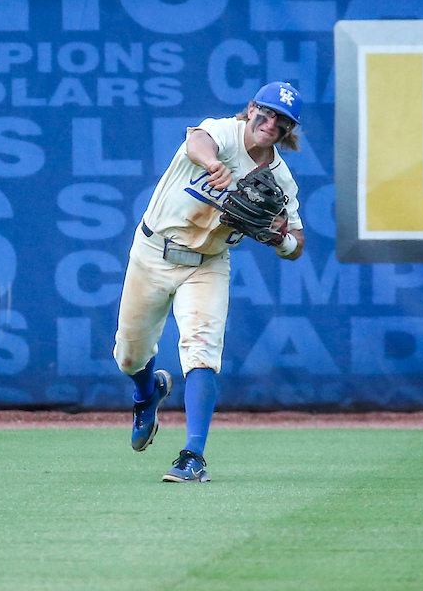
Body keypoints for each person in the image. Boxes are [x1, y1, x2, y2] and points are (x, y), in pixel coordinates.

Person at [113, 81, 306, 482]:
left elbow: (296, 242)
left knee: (201, 349)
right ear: (251, 108)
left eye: (282, 121)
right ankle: (147, 395)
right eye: (266, 113)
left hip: (208, 263)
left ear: (289, 130)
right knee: (129, 356)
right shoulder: (221, 132)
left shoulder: (280, 179)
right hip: (153, 250)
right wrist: (214, 164)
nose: (270, 124)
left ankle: (193, 455)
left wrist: (280, 240)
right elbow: (196, 142)